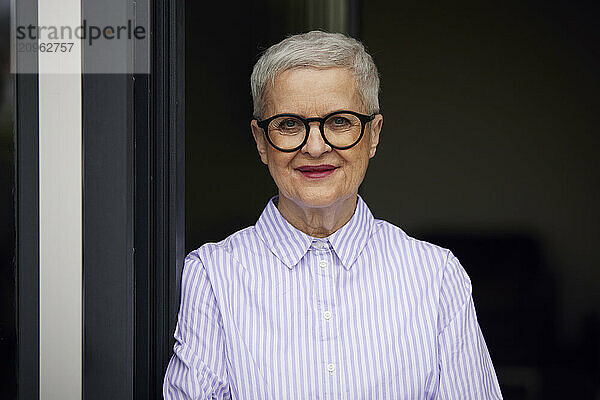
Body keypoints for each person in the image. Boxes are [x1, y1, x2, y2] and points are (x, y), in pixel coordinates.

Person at [163, 30, 502, 399]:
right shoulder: (212, 275)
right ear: (261, 142)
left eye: (339, 121)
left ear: (373, 134)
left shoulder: (437, 277)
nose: (315, 147)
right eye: (289, 124)